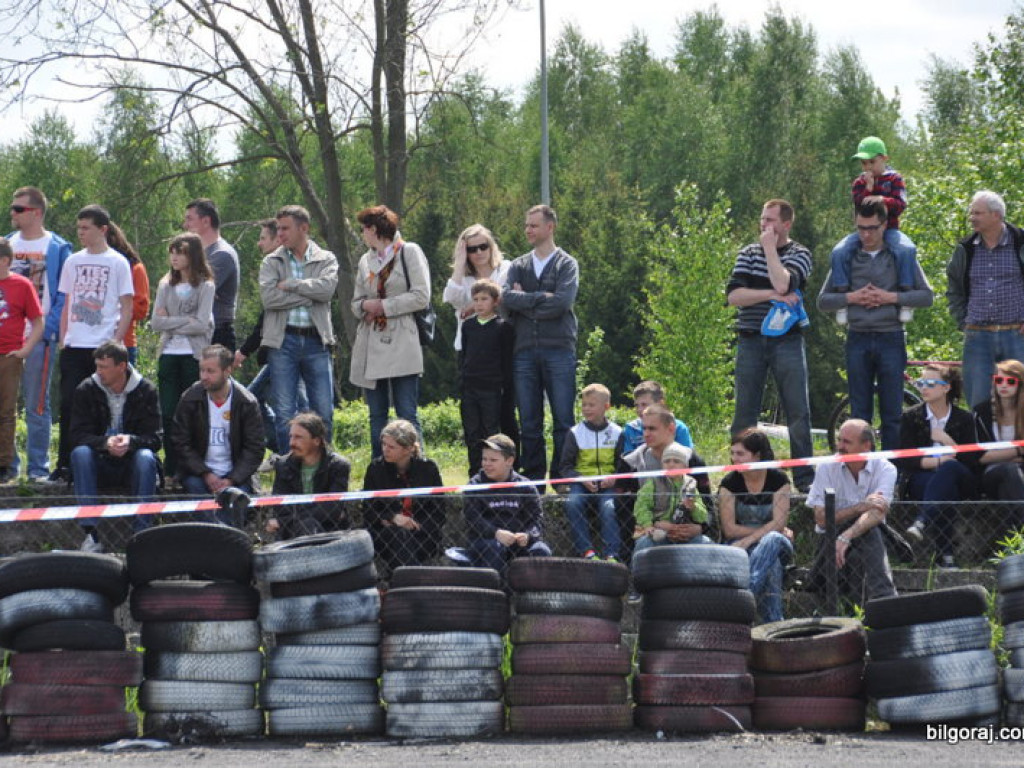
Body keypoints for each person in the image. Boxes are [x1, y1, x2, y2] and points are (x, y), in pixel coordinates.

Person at [818, 197, 934, 450]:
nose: (866, 234)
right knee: (860, 414)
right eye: (861, 228)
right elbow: (823, 301)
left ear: (884, 226)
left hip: (890, 336)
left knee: (893, 413)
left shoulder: (900, 256)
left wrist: (889, 297)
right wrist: (852, 297)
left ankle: (892, 473)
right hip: (857, 336)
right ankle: (860, 471)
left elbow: (926, 296)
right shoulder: (846, 256)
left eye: (872, 228)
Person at [727, 198, 815, 491]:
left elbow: (784, 284)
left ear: (786, 224)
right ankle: (740, 474)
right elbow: (734, 296)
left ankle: (804, 479)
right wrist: (769, 296)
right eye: (762, 219)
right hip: (750, 339)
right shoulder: (747, 253)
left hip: (786, 341)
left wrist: (769, 250)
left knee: (797, 411)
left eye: (771, 220)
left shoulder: (800, 253)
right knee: (744, 412)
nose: (764, 225)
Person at [56, 205, 135, 479]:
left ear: (102, 229)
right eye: (78, 228)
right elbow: (66, 301)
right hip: (74, 344)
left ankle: (100, 463)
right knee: (68, 403)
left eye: (86, 228)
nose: (81, 233)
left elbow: (127, 306)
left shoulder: (118, 262)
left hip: (102, 345)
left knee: (103, 406)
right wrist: (63, 338)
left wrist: (115, 341)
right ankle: (65, 463)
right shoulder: (73, 261)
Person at [502, 205, 579, 481]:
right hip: (523, 352)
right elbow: (506, 299)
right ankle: (534, 478)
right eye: (526, 225)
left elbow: (562, 303)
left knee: (563, 419)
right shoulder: (518, 265)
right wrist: (540, 297)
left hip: (559, 350)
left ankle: (561, 476)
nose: (528, 230)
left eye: (533, 225)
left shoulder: (567, 264)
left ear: (550, 227)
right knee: (529, 422)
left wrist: (525, 301)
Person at [350, 205, 430, 458]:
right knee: (377, 415)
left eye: (364, 228)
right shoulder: (366, 260)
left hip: (402, 342)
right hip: (372, 343)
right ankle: (379, 471)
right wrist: (364, 305)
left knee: (407, 412)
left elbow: (421, 296)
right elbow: (355, 303)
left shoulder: (409, 251)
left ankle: (418, 470)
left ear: (373, 229)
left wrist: (383, 305)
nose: (363, 233)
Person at [69, 341, 161, 552]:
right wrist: (104, 443)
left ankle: (141, 535)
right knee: (80, 453)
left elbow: (155, 439)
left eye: (104, 367)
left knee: (146, 457)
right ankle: (91, 535)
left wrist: (131, 442)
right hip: (99, 462)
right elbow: (76, 435)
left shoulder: (146, 390)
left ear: (121, 367)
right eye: (97, 366)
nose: (98, 372)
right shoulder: (86, 389)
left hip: (133, 464)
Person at [7, 187, 72, 482]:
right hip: (5, 337)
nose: (12, 213)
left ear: (35, 212)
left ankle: (37, 469)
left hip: (38, 338)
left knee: (36, 404)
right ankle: (8, 466)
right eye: (12, 208)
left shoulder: (57, 247)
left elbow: (63, 294)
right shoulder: (6, 244)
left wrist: (47, 330)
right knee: (4, 406)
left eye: (18, 209)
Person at [260, 205, 338, 450]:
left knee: (323, 410)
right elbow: (269, 299)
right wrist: (309, 295)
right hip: (283, 341)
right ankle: (289, 469)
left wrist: (293, 284)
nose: (280, 233)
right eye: (278, 228)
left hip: (317, 341)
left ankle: (323, 468)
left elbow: (327, 291)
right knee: (284, 412)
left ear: (304, 228)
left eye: (285, 228)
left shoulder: (326, 258)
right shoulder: (272, 261)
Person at [171, 345, 265, 528]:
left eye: (210, 371)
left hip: (236, 475)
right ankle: (220, 536)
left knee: (237, 500)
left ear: (227, 370)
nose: (204, 376)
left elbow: (255, 448)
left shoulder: (246, 402)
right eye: (202, 370)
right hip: (198, 473)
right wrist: (205, 473)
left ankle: (221, 537)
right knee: (196, 490)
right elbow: (180, 442)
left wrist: (231, 479)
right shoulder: (189, 398)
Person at [235, 219, 307, 454]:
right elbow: (267, 315)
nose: (259, 243)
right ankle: (286, 450)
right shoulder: (273, 268)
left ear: (278, 240)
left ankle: (289, 451)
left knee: (255, 399)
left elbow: (268, 318)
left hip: (290, 347)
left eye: (263, 238)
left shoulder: (285, 268)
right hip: (277, 350)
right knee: (282, 403)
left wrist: (244, 351)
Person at [806, 419, 897, 604]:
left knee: (869, 534)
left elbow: (878, 513)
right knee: (868, 535)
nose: (839, 446)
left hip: (863, 536)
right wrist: (859, 507)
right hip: (831, 537)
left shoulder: (886, 469)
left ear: (866, 446)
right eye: (839, 440)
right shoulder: (826, 467)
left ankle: (858, 614)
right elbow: (821, 519)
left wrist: (847, 536)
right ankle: (885, 599)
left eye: (846, 442)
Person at [947, 190, 1024, 408]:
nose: (972, 218)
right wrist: (962, 321)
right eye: (972, 213)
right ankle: (982, 442)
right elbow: (953, 287)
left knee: (1020, 402)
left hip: (1016, 335)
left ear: (996, 215)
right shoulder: (965, 249)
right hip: (977, 336)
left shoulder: (1020, 242)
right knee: (978, 402)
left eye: (978, 213)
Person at [830, 136, 917, 326]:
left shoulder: (894, 179)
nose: (867, 167)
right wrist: (868, 190)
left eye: (872, 162)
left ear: (884, 159)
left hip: (890, 230)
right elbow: (862, 209)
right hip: (864, 232)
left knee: (907, 250)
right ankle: (842, 299)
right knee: (839, 252)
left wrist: (880, 199)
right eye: (864, 163)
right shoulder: (859, 183)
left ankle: (905, 298)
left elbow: (900, 204)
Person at [900, 364, 979, 569]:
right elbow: (906, 459)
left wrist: (946, 440)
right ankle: (947, 557)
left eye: (931, 383)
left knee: (950, 470)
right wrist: (937, 462)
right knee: (944, 489)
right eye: (921, 383)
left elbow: (970, 460)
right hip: (922, 477)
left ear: (947, 388)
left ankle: (922, 521)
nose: (924, 388)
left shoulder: (965, 418)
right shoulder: (910, 417)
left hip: (960, 476)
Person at [150, 233, 215, 478]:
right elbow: (156, 323)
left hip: (193, 355)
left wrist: (171, 321)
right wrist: (184, 320)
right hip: (168, 353)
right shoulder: (166, 284)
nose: (174, 258)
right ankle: (171, 467)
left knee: (192, 411)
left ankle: (193, 466)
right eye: (172, 252)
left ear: (193, 255)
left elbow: (202, 325)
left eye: (181, 252)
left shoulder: (206, 286)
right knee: (168, 412)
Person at [718, 429, 794, 623]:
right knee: (772, 564)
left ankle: (746, 595)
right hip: (741, 547)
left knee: (773, 539)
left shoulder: (779, 480)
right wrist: (767, 529)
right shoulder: (729, 483)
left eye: (740, 454)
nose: (734, 459)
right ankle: (774, 623)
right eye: (733, 453)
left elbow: (779, 526)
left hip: (767, 544)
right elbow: (729, 529)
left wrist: (749, 539)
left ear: (758, 455)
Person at [362, 419, 445, 576]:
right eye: (384, 444)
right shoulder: (375, 469)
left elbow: (439, 511)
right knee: (399, 536)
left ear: (408, 449)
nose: (385, 450)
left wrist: (416, 525)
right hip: (385, 534)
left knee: (405, 540)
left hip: (422, 534)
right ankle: (412, 583)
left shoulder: (428, 468)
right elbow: (368, 510)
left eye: (391, 446)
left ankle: (401, 582)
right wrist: (393, 518)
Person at [464, 433, 551, 575]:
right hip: (486, 542)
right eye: (484, 459)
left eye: (493, 460)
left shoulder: (526, 486)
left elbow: (537, 520)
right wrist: (496, 533)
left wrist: (528, 536)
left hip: (519, 543)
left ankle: (536, 595)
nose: (487, 464)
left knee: (541, 550)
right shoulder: (475, 484)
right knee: (494, 548)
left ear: (509, 461)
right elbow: (472, 519)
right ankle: (494, 595)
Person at [560, 383, 623, 561]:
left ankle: (612, 554)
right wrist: (581, 479)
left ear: (606, 407)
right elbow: (565, 467)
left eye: (591, 404)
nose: (586, 408)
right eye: (584, 404)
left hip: (607, 485)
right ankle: (586, 551)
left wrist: (613, 479)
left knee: (609, 508)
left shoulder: (617, 432)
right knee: (573, 503)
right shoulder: (574, 433)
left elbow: (622, 465)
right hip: (582, 484)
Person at [458, 278, 514, 477]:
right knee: (472, 432)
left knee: (491, 432)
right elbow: (464, 355)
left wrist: (505, 387)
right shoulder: (468, 326)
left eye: (484, 299)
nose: (479, 303)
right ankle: (475, 473)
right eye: (475, 299)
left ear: (495, 301)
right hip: (470, 387)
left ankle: (495, 473)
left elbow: (507, 361)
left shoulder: (503, 327)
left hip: (491, 388)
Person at [267, 412, 351, 539]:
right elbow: (281, 508)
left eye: (298, 437)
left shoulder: (338, 466)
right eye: (291, 437)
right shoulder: (283, 465)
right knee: (307, 524)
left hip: (330, 530)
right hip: (292, 531)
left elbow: (333, 510)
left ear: (316, 441)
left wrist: (283, 521)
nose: (292, 443)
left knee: (309, 525)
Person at [0, 238, 43, 482]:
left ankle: (4, 465)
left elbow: (38, 321)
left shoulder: (22, 285)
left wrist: (26, 349)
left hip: (9, 354)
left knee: (6, 411)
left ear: (5, 260)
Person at [632, 442, 710, 557]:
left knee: (706, 542)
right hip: (658, 532)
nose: (671, 464)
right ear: (662, 464)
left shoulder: (691, 484)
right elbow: (641, 506)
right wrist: (649, 525)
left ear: (685, 466)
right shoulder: (653, 482)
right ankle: (637, 573)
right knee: (644, 543)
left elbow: (703, 517)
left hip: (683, 534)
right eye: (667, 461)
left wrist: (693, 507)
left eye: (676, 461)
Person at [443, 224, 512, 351]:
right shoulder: (461, 278)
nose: (479, 252)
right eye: (472, 249)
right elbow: (452, 299)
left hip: (501, 344)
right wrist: (459, 264)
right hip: (470, 346)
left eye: (483, 247)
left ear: (491, 247)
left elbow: (507, 299)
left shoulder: (506, 269)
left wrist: (472, 307)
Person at [973, 359, 1024, 524]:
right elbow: (980, 457)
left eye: (1010, 381)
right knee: (1010, 469)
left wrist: (999, 455)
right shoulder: (981, 412)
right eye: (998, 380)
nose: (1003, 385)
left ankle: (1014, 540)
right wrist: (1018, 451)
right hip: (990, 474)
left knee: (1008, 486)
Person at [183, 198, 239, 350]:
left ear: (206, 221)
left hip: (217, 334)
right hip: (196, 332)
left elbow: (195, 291)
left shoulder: (222, 254)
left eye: (189, 219)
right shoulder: (195, 255)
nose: (185, 225)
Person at [105, 224, 150, 367]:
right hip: (91, 342)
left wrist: (112, 307)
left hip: (124, 343)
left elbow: (141, 309)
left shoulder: (135, 268)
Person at [620, 380, 692, 454]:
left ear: (660, 403)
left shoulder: (678, 428)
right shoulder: (631, 429)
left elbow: (688, 458)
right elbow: (628, 461)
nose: (639, 409)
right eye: (636, 405)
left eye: (644, 404)